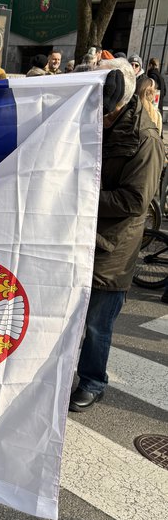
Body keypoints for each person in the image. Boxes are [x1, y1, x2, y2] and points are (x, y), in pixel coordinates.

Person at [69, 60, 164, 412]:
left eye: (108, 113)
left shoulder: (144, 139)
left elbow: (136, 200)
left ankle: (93, 382)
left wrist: (81, 193)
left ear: (123, 103)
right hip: (78, 236)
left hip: (112, 248)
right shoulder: (94, 117)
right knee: (68, 317)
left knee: (97, 324)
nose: (103, 118)